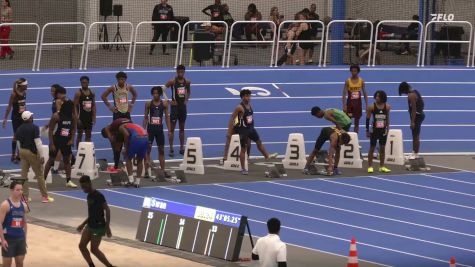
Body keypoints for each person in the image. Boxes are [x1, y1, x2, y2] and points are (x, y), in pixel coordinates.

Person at [228, 89, 278, 175]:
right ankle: (243, 169)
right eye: (247, 96)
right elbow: (232, 118)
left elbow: (249, 117)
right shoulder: (239, 107)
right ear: (243, 97)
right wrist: (230, 131)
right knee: (244, 149)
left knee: (259, 142)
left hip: (251, 128)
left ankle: (267, 156)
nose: (249, 97)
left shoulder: (249, 105)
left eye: (249, 96)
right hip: (243, 130)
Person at [15, 111, 54, 203]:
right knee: (40, 175)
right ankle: (45, 197)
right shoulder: (34, 127)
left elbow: (18, 142)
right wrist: (41, 155)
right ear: (29, 118)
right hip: (32, 153)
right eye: (31, 116)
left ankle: (24, 197)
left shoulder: (19, 128)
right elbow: (38, 143)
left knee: (23, 176)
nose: (32, 117)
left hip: (22, 151)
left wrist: (20, 153)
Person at [77, 175, 115, 267]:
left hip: (98, 227)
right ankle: (91, 265)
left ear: (90, 183)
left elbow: (108, 210)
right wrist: (83, 224)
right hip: (90, 225)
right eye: (82, 187)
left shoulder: (99, 195)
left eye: (85, 187)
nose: (83, 189)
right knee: (81, 246)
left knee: (94, 249)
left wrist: (107, 228)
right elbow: (92, 214)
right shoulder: (89, 196)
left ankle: (109, 266)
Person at [44, 100, 77, 188]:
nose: (72, 109)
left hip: (66, 141)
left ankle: (68, 181)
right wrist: (52, 144)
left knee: (67, 161)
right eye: (71, 108)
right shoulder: (56, 116)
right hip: (56, 140)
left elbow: (73, 129)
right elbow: (50, 130)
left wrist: (72, 139)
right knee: (51, 160)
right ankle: (43, 181)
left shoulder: (72, 116)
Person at [143, 86, 171, 178]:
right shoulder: (148, 104)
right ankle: (146, 171)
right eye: (154, 93)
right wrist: (143, 130)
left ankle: (163, 170)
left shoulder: (165, 104)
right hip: (150, 130)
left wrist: (169, 130)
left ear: (160, 94)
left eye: (157, 93)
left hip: (159, 130)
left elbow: (167, 117)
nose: (155, 95)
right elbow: (146, 118)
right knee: (148, 150)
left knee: (161, 151)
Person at [165, 65, 190, 157]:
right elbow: (162, 90)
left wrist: (186, 100)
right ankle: (171, 148)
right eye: (179, 72)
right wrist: (168, 101)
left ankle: (181, 148)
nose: (180, 73)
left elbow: (189, 91)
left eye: (182, 72)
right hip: (174, 108)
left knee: (182, 129)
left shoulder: (187, 82)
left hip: (182, 108)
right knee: (172, 129)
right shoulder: (172, 81)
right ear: (176, 72)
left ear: (184, 72)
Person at [0, 182, 28, 267]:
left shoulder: (24, 205)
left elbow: (25, 223)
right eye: (18, 190)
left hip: (20, 239)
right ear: (12, 191)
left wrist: (25, 239)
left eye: (21, 190)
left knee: (20, 263)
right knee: (7, 264)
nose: (20, 192)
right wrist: (3, 240)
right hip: (8, 240)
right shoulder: (5, 205)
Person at [2, 78, 27, 164]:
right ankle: (13, 155)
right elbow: (9, 107)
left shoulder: (24, 92)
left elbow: (19, 93)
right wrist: (5, 119)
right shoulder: (13, 95)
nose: (27, 86)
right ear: (21, 86)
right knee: (16, 136)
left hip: (23, 117)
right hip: (16, 118)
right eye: (25, 85)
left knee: (22, 136)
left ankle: (19, 155)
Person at [366, 90, 391, 173]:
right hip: (374, 130)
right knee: (372, 148)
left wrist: (388, 128)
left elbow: (387, 118)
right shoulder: (371, 107)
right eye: (376, 96)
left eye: (378, 96)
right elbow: (367, 119)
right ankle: (370, 166)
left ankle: (382, 166)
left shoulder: (387, 107)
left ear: (382, 98)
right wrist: (367, 130)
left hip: (383, 130)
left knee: (382, 148)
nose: (376, 98)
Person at [399, 82, 424, 159]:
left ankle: (415, 153)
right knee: (415, 135)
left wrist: (412, 121)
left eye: (403, 92)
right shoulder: (415, 91)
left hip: (417, 116)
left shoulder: (411, 96)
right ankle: (414, 152)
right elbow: (422, 103)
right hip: (420, 114)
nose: (404, 94)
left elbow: (414, 109)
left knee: (415, 136)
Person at [342, 65, 368, 133]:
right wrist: (344, 105)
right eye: (352, 71)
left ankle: (355, 137)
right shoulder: (347, 81)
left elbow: (365, 93)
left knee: (357, 122)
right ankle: (346, 137)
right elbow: (344, 94)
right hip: (350, 105)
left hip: (358, 105)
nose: (353, 72)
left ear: (358, 71)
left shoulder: (361, 81)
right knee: (347, 121)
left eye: (355, 71)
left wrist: (367, 105)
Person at [74, 76, 96, 149]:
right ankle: (78, 152)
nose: (84, 84)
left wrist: (94, 117)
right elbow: (74, 106)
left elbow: (93, 105)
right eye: (82, 83)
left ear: (88, 83)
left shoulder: (92, 92)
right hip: (81, 118)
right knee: (79, 135)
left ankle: (87, 152)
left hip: (89, 118)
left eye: (85, 82)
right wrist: (77, 118)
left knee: (88, 135)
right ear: (80, 83)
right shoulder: (78, 93)